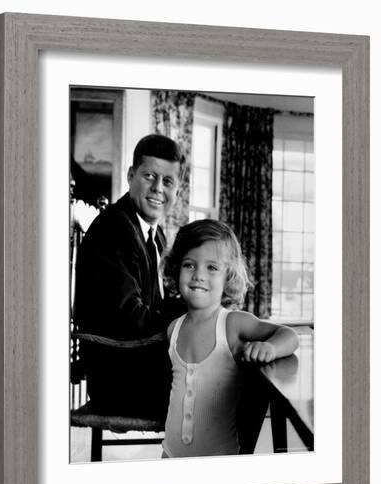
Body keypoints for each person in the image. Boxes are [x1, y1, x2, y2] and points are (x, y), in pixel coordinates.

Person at [161, 219, 299, 457]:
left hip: (221, 460)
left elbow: (290, 335)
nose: (198, 276)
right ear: (177, 269)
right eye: (189, 265)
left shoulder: (232, 323)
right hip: (170, 454)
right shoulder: (174, 329)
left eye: (212, 268)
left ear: (229, 276)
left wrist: (271, 348)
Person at [73, 134, 185, 420]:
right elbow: (129, 320)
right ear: (131, 175)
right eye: (149, 176)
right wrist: (190, 318)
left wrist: (198, 308)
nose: (158, 188)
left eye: (168, 181)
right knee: (232, 385)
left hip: (136, 361)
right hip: (119, 378)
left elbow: (153, 306)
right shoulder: (115, 230)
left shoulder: (152, 232)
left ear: (177, 189)